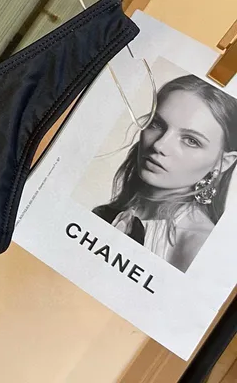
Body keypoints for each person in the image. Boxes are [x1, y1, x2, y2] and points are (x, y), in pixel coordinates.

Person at [94, 75, 237, 272]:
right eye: (157, 124)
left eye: (191, 140)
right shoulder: (109, 213)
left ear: (223, 163)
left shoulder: (199, 248)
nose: (159, 145)